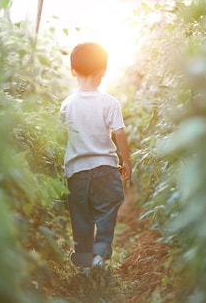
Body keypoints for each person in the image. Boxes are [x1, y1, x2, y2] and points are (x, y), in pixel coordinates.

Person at [60, 42, 131, 274]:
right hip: (105, 169)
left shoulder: (67, 105)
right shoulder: (109, 103)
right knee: (107, 209)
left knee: (80, 216)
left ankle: (84, 264)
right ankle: (100, 252)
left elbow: (62, 136)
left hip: (77, 171)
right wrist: (126, 161)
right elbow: (119, 133)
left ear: (73, 72)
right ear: (103, 72)